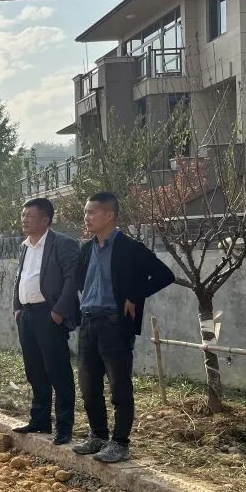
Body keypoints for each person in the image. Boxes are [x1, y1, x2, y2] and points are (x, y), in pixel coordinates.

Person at [73, 192, 174, 463]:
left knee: (119, 385)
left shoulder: (130, 248)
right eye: (86, 212)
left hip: (115, 323)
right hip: (88, 322)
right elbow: (80, 280)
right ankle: (98, 435)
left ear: (110, 215)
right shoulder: (86, 249)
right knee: (88, 385)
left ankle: (120, 442)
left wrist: (133, 295)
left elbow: (165, 275)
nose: (87, 217)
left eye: (92, 212)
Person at [11, 198, 80, 445]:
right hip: (26, 316)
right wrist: (17, 308)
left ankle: (64, 427)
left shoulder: (63, 244)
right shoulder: (25, 246)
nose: (24, 220)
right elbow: (21, 278)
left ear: (45, 219)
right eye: (23, 215)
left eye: (29, 216)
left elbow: (72, 279)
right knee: (34, 370)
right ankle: (40, 420)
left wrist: (58, 312)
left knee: (57, 371)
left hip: (49, 315)